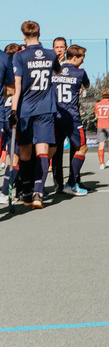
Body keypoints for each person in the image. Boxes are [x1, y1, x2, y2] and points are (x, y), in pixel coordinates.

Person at [11, 21, 61, 208]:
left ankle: (26, 192)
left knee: (24, 153)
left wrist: (13, 111)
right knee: (42, 152)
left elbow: (17, 86)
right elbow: (58, 69)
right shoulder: (50, 54)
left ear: (23, 35)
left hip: (25, 110)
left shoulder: (20, 56)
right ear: (39, 34)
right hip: (45, 109)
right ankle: (39, 192)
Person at [51, 44, 90, 196]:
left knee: (52, 152)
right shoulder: (80, 73)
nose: (82, 62)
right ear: (74, 57)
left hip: (55, 116)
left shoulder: (54, 70)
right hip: (72, 117)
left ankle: (38, 188)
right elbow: (86, 85)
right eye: (81, 59)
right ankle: (71, 183)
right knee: (82, 148)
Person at [0, 44, 17, 207]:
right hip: (5, 116)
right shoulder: (6, 61)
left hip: (4, 115)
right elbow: (11, 91)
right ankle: (5, 192)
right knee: (16, 154)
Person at [95, 89, 109, 169]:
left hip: (100, 126)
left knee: (101, 144)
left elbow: (96, 116)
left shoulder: (97, 104)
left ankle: (101, 164)